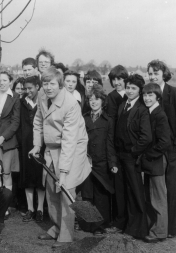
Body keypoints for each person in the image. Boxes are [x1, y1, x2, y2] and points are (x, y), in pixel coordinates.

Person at [29, 67, 91, 249]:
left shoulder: (71, 104)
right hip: (51, 147)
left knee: (65, 191)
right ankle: (56, 228)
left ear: (60, 84)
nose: (48, 87)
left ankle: (66, 236)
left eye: (52, 84)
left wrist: (63, 172)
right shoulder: (42, 95)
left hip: (72, 148)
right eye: (45, 83)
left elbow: (69, 140)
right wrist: (37, 145)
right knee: (50, 189)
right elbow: (38, 120)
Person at [147, 59, 176, 238]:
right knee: (155, 188)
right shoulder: (149, 93)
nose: (152, 77)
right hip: (156, 149)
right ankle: (156, 224)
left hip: (172, 148)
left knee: (172, 187)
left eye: (156, 74)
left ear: (163, 74)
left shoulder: (174, 93)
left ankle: (173, 228)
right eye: (150, 74)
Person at [106, 74, 151, 239]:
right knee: (120, 191)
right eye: (128, 87)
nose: (130, 91)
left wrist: (133, 152)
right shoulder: (122, 104)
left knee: (135, 191)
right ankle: (120, 223)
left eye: (134, 88)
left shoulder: (141, 109)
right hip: (119, 155)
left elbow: (146, 137)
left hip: (131, 157)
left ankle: (138, 228)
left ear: (139, 90)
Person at [81, 84, 117, 235]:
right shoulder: (83, 119)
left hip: (102, 163)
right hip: (86, 162)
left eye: (97, 99)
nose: (93, 102)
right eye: (90, 99)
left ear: (103, 101)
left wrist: (112, 163)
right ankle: (87, 225)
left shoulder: (108, 120)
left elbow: (110, 143)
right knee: (87, 194)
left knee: (101, 194)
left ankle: (99, 226)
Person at [141, 82, 171, 243]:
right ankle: (155, 228)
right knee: (152, 195)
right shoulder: (151, 111)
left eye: (150, 95)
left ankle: (159, 232)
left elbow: (165, 142)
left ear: (157, 96)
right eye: (145, 95)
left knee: (158, 197)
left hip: (157, 160)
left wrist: (148, 155)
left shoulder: (159, 114)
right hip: (152, 160)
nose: (146, 98)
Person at [17, 76, 45, 223]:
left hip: (40, 144)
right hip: (25, 145)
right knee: (27, 177)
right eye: (25, 89)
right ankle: (30, 208)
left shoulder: (43, 101)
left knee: (40, 177)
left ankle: (40, 209)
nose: (28, 91)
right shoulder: (21, 102)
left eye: (30, 88)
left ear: (37, 87)